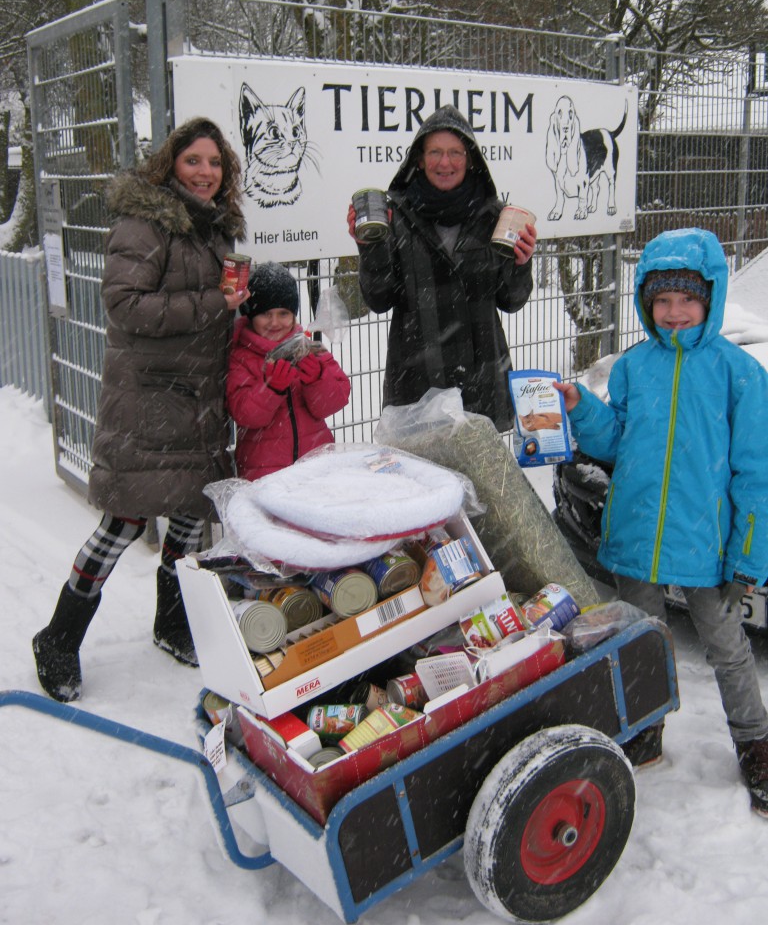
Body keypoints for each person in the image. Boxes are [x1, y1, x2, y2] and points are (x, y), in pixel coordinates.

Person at [554, 227, 768, 817]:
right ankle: (645, 726)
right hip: (638, 536)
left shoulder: (739, 374)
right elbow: (616, 440)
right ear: (647, 302)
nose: (673, 313)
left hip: (707, 543)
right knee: (640, 642)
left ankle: (755, 741)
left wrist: (747, 557)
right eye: (662, 300)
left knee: (726, 647)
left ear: (711, 298)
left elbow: (756, 475)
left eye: (687, 299)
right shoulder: (632, 366)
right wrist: (583, 410)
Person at [33, 117, 249, 703]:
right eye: (193, 161)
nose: (205, 173)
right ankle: (57, 637)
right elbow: (125, 305)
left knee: (186, 517)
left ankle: (172, 622)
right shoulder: (146, 222)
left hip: (199, 398)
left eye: (214, 163)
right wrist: (214, 303)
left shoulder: (217, 229)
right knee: (121, 524)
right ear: (170, 166)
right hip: (149, 399)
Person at [346, 105, 537, 432]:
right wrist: (370, 248)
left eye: (454, 153)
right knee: (425, 481)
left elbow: (511, 300)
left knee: (479, 481)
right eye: (435, 152)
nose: (444, 163)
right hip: (418, 380)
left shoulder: (495, 216)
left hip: (481, 381)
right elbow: (379, 299)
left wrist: (521, 263)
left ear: (470, 158)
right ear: (419, 159)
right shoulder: (396, 215)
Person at [226, 262, 351, 480]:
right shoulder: (242, 356)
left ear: (293, 315)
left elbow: (338, 397)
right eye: (265, 313)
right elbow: (245, 414)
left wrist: (317, 379)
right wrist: (270, 389)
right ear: (250, 314)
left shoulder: (307, 348)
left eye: (283, 313)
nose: (274, 322)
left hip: (317, 465)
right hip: (264, 472)